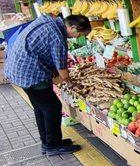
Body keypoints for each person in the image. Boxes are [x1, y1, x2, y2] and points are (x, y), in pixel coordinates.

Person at [4, 14, 91, 156]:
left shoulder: (49, 23)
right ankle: (53, 145)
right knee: (52, 107)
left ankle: (47, 142)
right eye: (79, 33)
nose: (77, 37)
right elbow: (61, 68)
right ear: (72, 27)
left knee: (40, 107)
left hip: (18, 69)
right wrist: (69, 82)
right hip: (30, 74)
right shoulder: (57, 36)